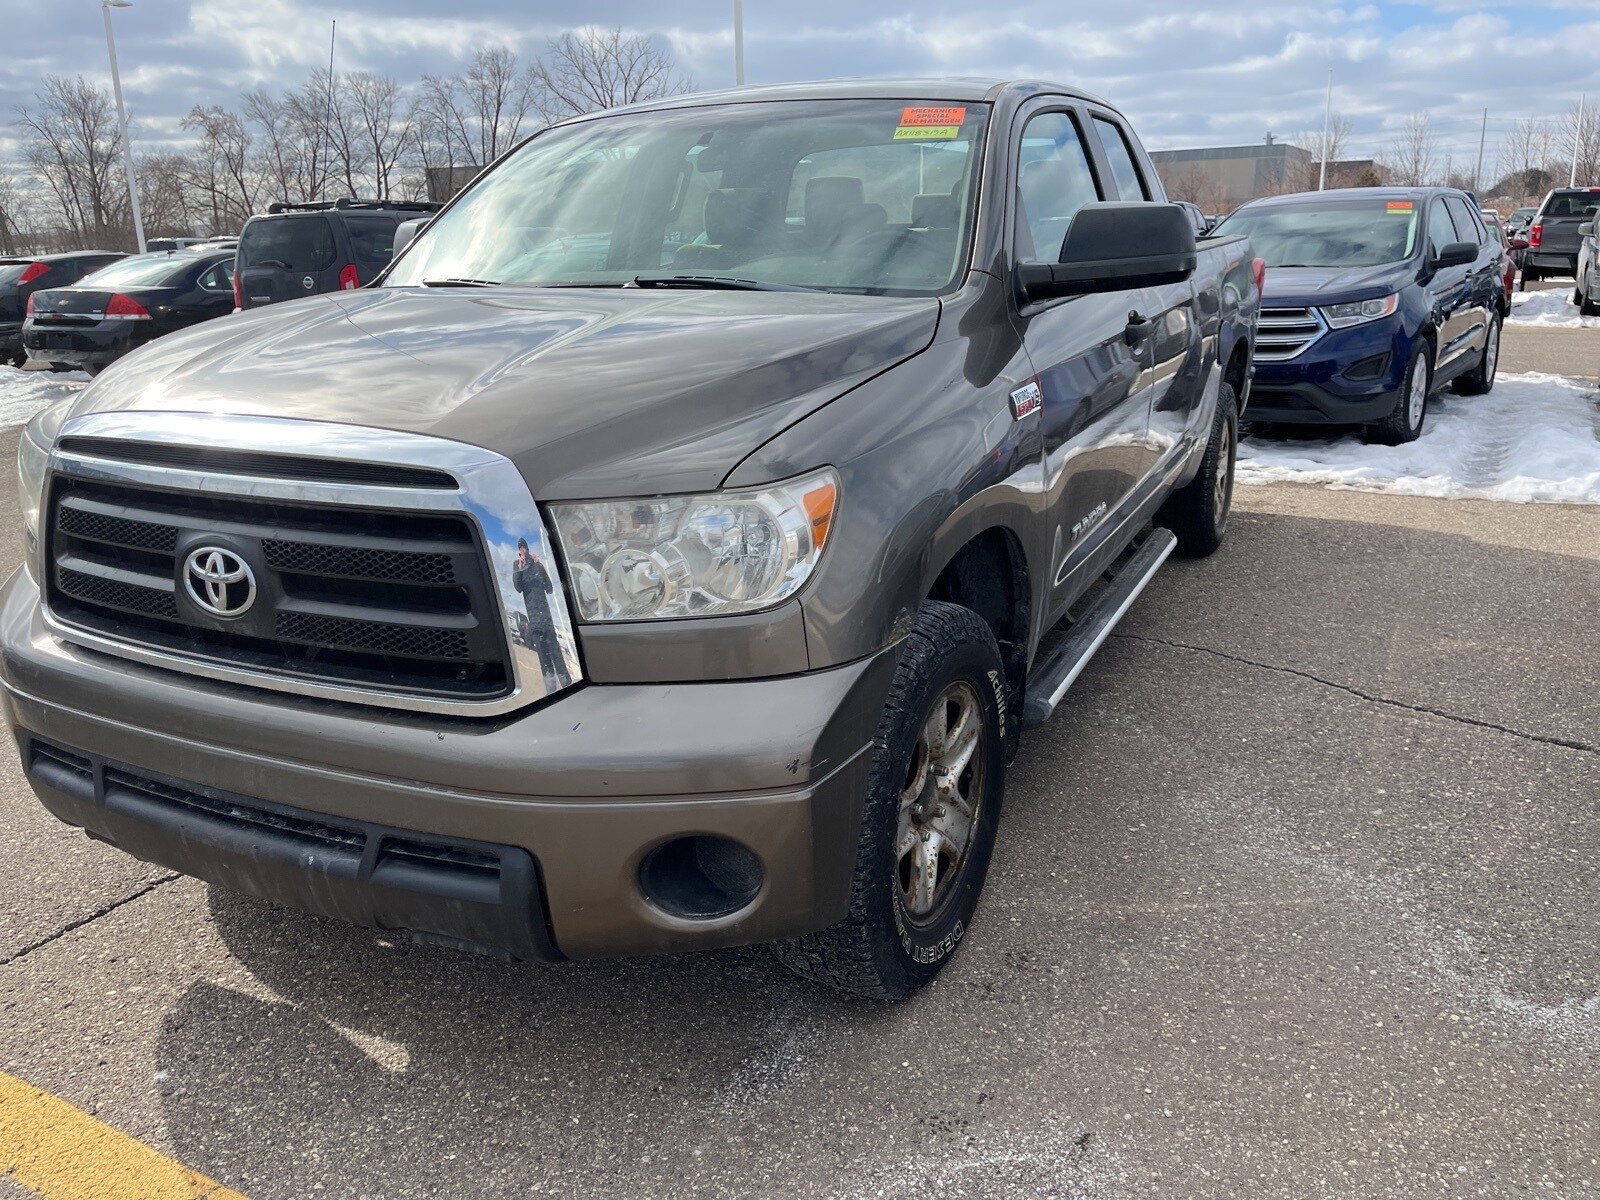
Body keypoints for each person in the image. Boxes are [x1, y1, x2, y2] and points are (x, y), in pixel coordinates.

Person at [510, 537, 570, 690]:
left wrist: (540, 565)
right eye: (520, 548)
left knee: (556, 652)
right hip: (533, 620)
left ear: (528, 548)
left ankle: (567, 685)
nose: (523, 550)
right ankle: (551, 690)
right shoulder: (517, 566)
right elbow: (517, 588)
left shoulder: (538, 566)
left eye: (524, 547)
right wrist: (520, 569)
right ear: (518, 551)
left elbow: (549, 588)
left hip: (546, 618)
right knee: (543, 656)